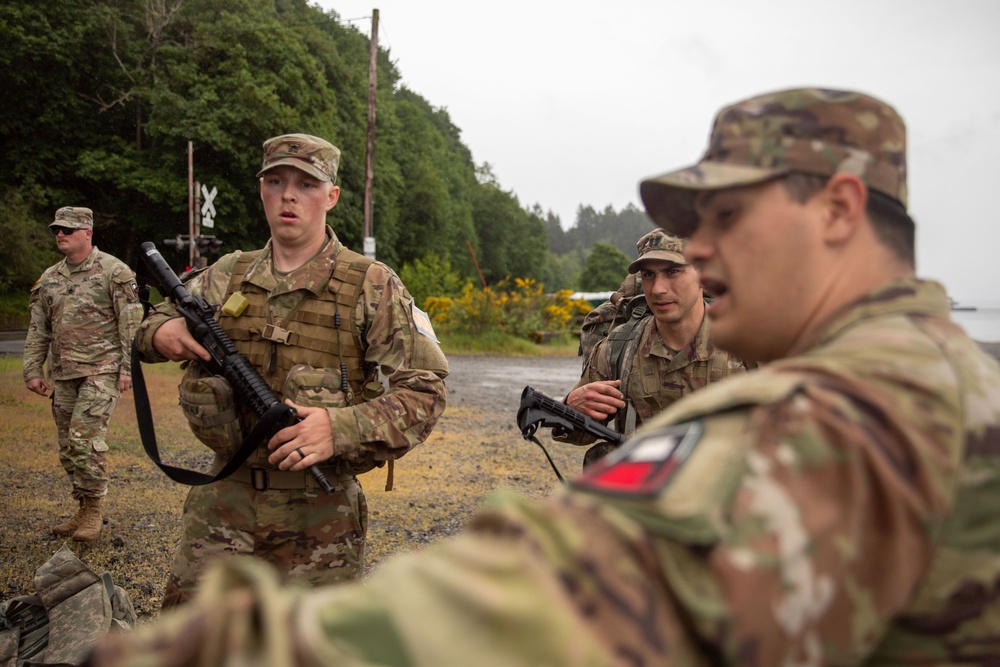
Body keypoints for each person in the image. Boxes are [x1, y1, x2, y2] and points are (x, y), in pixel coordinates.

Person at [89, 89, 1000, 665]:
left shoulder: (840, 416)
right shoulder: (944, 375)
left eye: (725, 213)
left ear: (839, 210)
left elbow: (567, 585)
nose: (697, 251)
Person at [133, 133, 449, 608]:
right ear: (261, 189)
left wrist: (338, 428)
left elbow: (425, 392)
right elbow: (149, 325)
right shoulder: (228, 273)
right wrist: (162, 334)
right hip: (222, 505)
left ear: (332, 196)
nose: (288, 195)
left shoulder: (372, 284)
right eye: (276, 181)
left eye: (306, 183)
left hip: (319, 520)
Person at [560, 228, 751, 465]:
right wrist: (571, 406)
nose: (658, 289)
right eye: (649, 275)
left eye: (672, 272)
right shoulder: (619, 348)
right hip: (643, 493)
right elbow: (579, 433)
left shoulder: (748, 343)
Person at [23, 206, 140, 543]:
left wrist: (126, 370)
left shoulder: (113, 271)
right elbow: (38, 329)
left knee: (83, 441)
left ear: (88, 233)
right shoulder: (49, 278)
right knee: (66, 447)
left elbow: (130, 324)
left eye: (68, 230)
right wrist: (32, 369)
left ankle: (93, 512)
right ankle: (82, 505)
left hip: (101, 372)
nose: (60, 234)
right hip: (63, 374)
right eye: (57, 229)